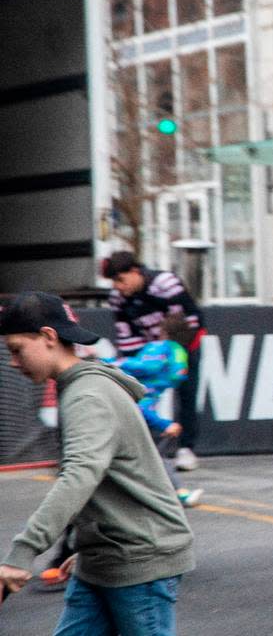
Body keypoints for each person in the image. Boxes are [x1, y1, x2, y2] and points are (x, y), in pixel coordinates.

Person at [0, 291, 194, 635]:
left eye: (16, 349)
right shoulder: (77, 386)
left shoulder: (87, 395)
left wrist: (22, 553)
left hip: (140, 561)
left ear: (48, 337)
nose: (13, 362)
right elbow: (102, 476)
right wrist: (90, 544)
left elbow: (80, 476)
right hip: (102, 559)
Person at [102, 250, 206, 472]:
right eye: (114, 282)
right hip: (150, 351)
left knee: (187, 393)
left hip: (182, 347)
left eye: (121, 279)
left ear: (135, 271)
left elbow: (191, 320)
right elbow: (126, 335)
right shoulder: (117, 298)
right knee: (138, 395)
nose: (118, 286)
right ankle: (138, 449)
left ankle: (186, 448)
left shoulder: (165, 283)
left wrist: (173, 353)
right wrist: (141, 363)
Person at [115, 313, 205, 509]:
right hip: (129, 415)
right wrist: (165, 424)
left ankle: (176, 494)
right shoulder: (151, 386)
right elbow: (141, 408)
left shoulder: (153, 369)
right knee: (150, 455)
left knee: (154, 455)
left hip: (133, 412)